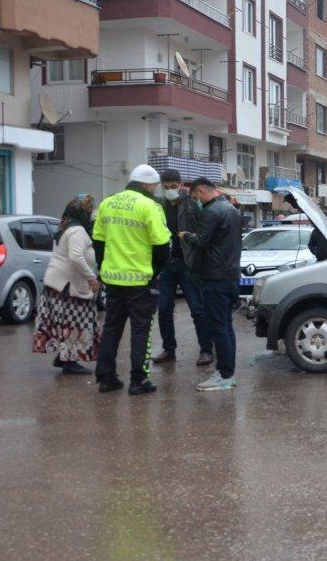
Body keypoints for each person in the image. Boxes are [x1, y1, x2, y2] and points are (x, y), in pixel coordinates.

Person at [93, 165, 173, 395]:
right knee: (141, 330)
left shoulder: (108, 203)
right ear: (147, 184)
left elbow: (98, 241)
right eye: (155, 186)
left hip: (113, 278)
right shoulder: (150, 206)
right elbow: (162, 245)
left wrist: (104, 268)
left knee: (112, 327)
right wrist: (155, 271)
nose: (155, 189)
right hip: (140, 280)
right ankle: (139, 380)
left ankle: (106, 377)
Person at [180, 177, 243, 392]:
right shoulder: (231, 209)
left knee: (218, 327)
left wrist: (186, 236)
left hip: (215, 277)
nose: (195, 201)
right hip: (230, 275)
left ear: (200, 191)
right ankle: (227, 373)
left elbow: (201, 242)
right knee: (226, 325)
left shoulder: (211, 211)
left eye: (194, 196)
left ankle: (224, 375)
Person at [33, 195, 101, 375]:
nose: (92, 212)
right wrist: (91, 278)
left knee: (64, 321)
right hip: (68, 285)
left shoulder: (65, 226)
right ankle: (69, 361)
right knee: (74, 321)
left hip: (58, 282)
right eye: (90, 208)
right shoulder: (77, 230)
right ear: (82, 211)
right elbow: (76, 257)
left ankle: (63, 357)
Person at [152, 169, 213, 367]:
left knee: (197, 309)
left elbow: (204, 231)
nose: (170, 190)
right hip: (166, 264)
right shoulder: (158, 205)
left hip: (188, 264)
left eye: (173, 186)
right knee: (164, 309)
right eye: (166, 187)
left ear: (180, 185)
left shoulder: (192, 204)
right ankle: (169, 349)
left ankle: (206, 350)